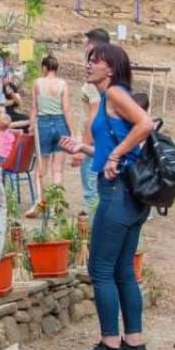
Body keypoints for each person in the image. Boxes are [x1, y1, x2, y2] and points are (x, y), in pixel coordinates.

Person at [59, 44, 155, 350]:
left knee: (101, 269)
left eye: (95, 60)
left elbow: (146, 124)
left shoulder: (114, 94)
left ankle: (110, 347)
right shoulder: (108, 100)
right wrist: (85, 148)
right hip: (131, 194)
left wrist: (115, 157)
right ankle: (134, 345)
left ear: (111, 68)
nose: (89, 64)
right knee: (123, 270)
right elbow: (114, 143)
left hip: (117, 193)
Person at [74, 28, 111, 214]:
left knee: (91, 193)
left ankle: (91, 238)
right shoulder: (111, 74)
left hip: (93, 144)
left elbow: (93, 116)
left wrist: (82, 148)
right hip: (104, 141)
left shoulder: (94, 83)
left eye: (87, 43)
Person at [34, 54, 72, 188]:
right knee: (57, 169)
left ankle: (40, 200)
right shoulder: (63, 84)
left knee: (41, 166)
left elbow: (34, 107)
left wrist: (32, 126)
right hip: (60, 123)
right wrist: (70, 129)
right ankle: (56, 205)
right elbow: (66, 108)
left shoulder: (37, 83)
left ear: (45, 67)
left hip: (43, 124)